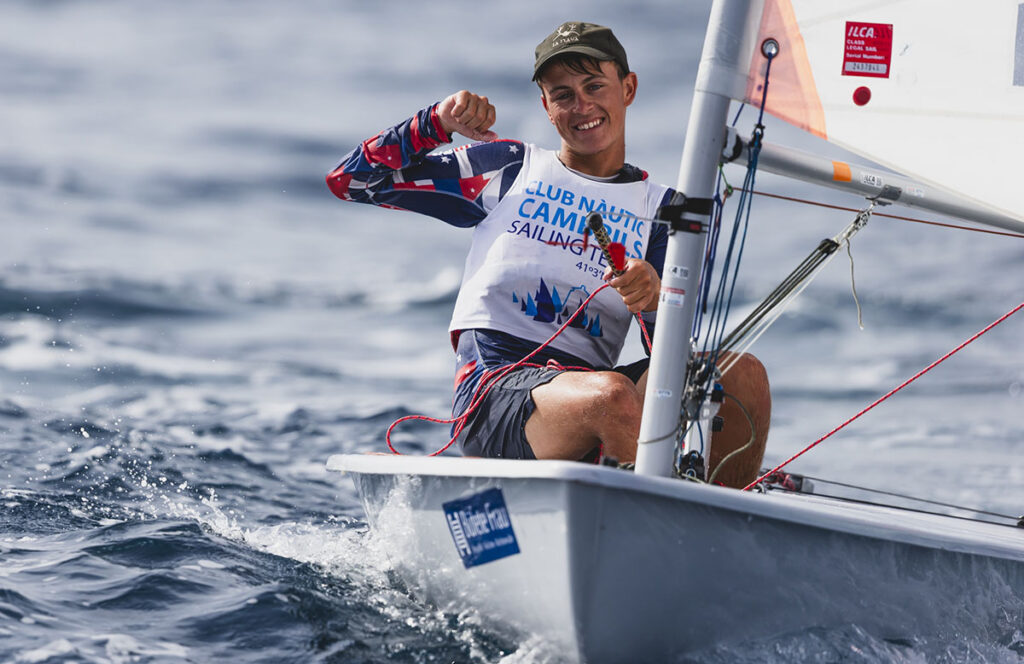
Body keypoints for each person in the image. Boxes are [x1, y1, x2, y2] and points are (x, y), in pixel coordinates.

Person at [326, 21, 770, 488]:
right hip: (496, 398)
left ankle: (717, 527)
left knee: (743, 379)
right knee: (613, 398)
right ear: (546, 106)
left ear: (629, 88)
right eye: (563, 95)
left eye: (594, 86)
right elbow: (351, 182)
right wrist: (434, 123)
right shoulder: (506, 168)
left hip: (596, 402)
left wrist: (659, 298)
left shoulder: (668, 212)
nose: (582, 106)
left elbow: (670, 357)